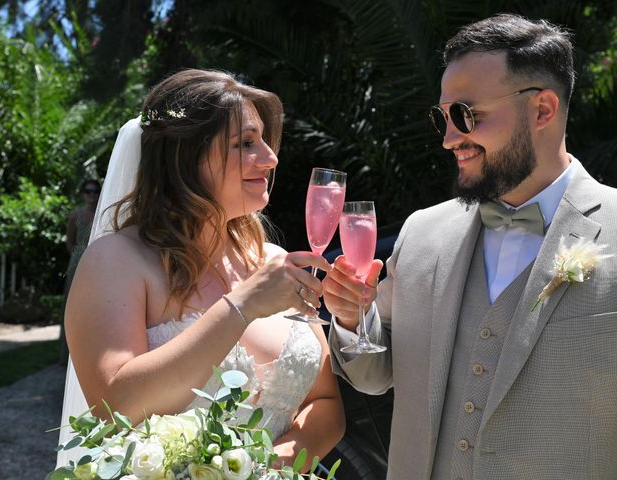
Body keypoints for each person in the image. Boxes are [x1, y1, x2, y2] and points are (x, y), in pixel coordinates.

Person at [323, 13, 617, 480]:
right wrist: (350, 317)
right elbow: (373, 376)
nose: (448, 139)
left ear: (542, 109)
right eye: (442, 117)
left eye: (465, 114)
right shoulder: (422, 234)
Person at [58, 69, 344, 468]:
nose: (271, 158)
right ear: (185, 156)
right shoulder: (117, 260)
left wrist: (266, 470)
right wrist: (240, 305)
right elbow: (113, 407)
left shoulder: (276, 261)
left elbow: (326, 405)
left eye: (264, 139)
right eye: (246, 143)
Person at [59, 179, 101, 363]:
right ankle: (66, 353)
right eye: (87, 191)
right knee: (71, 304)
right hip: (77, 261)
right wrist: (78, 257)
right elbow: (69, 242)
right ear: (82, 193)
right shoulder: (75, 215)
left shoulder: (103, 213)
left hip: (99, 262)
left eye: (94, 191)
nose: (91, 195)